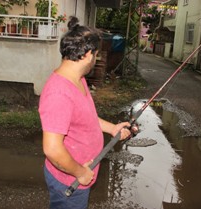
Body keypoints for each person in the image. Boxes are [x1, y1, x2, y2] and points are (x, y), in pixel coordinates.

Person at [38, 16, 132, 209]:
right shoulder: (59, 92)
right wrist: (80, 172)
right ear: (88, 54)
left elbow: (86, 119)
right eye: (96, 55)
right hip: (69, 180)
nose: (95, 60)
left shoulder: (77, 79)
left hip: (78, 176)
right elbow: (52, 149)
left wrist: (112, 128)